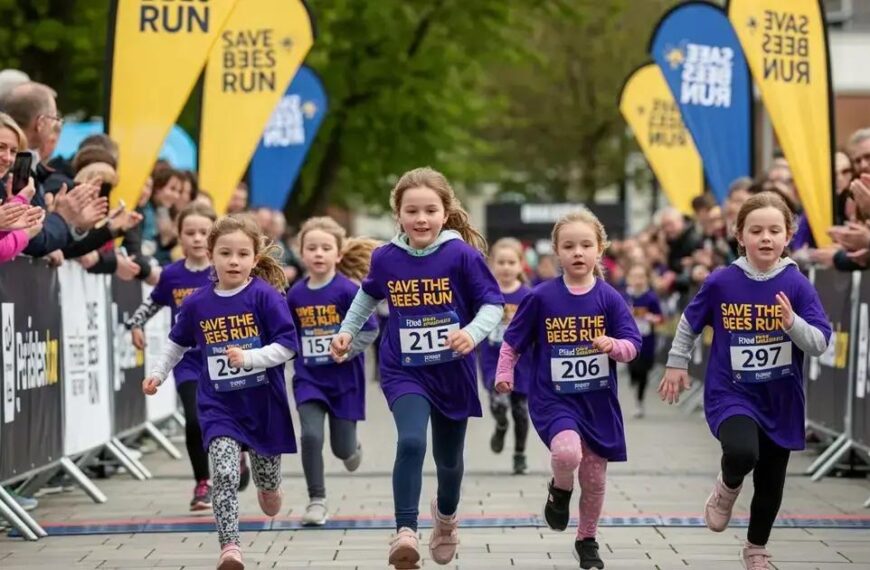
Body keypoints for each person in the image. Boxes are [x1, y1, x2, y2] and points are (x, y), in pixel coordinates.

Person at [330, 167, 504, 568]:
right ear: (399, 215)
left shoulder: (461, 254)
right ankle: (405, 529)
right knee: (410, 441)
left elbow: (492, 305)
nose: (421, 219)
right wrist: (346, 332)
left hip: (451, 370)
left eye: (430, 210)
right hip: (404, 368)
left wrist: (472, 334)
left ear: (445, 213)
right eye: (412, 211)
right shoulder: (387, 257)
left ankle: (445, 520)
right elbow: (367, 296)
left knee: (449, 461)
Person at [658, 192, 832, 570]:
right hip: (731, 391)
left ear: (788, 236)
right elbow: (690, 322)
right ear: (740, 236)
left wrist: (791, 324)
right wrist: (676, 363)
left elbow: (820, 342)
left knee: (771, 481)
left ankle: (756, 549)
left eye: (774, 230)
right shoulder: (722, 281)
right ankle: (727, 486)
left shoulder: (797, 285)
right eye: (756, 231)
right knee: (742, 453)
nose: (765, 238)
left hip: (780, 398)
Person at [142, 213, 298, 570]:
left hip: (262, 404)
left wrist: (250, 358)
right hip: (219, 404)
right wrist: (157, 373)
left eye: (242, 254)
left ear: (255, 258)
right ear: (211, 255)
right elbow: (175, 344)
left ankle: (269, 486)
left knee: (267, 481)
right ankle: (230, 546)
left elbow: (287, 345)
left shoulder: (265, 297)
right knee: (225, 474)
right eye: (225, 253)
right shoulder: (198, 302)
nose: (234, 261)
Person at [494, 209, 641, 570]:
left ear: (599, 250)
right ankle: (560, 490)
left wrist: (613, 346)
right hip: (554, 398)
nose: (578, 252)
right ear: (556, 253)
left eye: (586, 245)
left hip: (597, 402)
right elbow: (512, 342)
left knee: (594, 477)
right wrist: (504, 373)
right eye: (569, 246)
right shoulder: (541, 297)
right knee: (566, 454)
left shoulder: (609, 297)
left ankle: (587, 538)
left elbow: (632, 343)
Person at [126, 203, 251, 511]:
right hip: (189, 363)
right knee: (195, 421)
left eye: (203, 232)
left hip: (228, 357)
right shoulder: (172, 275)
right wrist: (136, 324)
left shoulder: (224, 270)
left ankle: (241, 451)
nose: (196, 238)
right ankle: (203, 483)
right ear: (178, 236)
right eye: (189, 232)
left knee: (239, 416)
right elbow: (153, 303)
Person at [286, 217, 379, 526]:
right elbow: (288, 335)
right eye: (311, 247)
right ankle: (317, 500)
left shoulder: (348, 291)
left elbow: (370, 330)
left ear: (338, 254)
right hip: (309, 379)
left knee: (343, 451)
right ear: (301, 252)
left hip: (344, 381)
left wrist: (346, 350)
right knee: (311, 436)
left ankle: (352, 446)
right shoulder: (295, 294)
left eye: (326, 248)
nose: (318, 253)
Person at [479, 237, 532, 474]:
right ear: (492, 265)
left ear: (521, 265)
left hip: (522, 362)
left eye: (512, 262)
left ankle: (519, 454)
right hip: (493, 358)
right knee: (498, 403)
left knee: (520, 411)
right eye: (501, 262)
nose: (506, 267)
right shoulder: (485, 293)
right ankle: (501, 425)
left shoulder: (529, 296)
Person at [622, 263, 663, 418]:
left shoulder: (651, 297)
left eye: (641, 276)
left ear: (646, 279)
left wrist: (650, 317)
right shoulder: (625, 296)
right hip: (628, 339)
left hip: (647, 339)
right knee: (633, 368)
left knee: (644, 371)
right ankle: (633, 378)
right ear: (628, 279)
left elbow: (660, 318)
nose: (638, 280)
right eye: (635, 277)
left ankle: (640, 401)